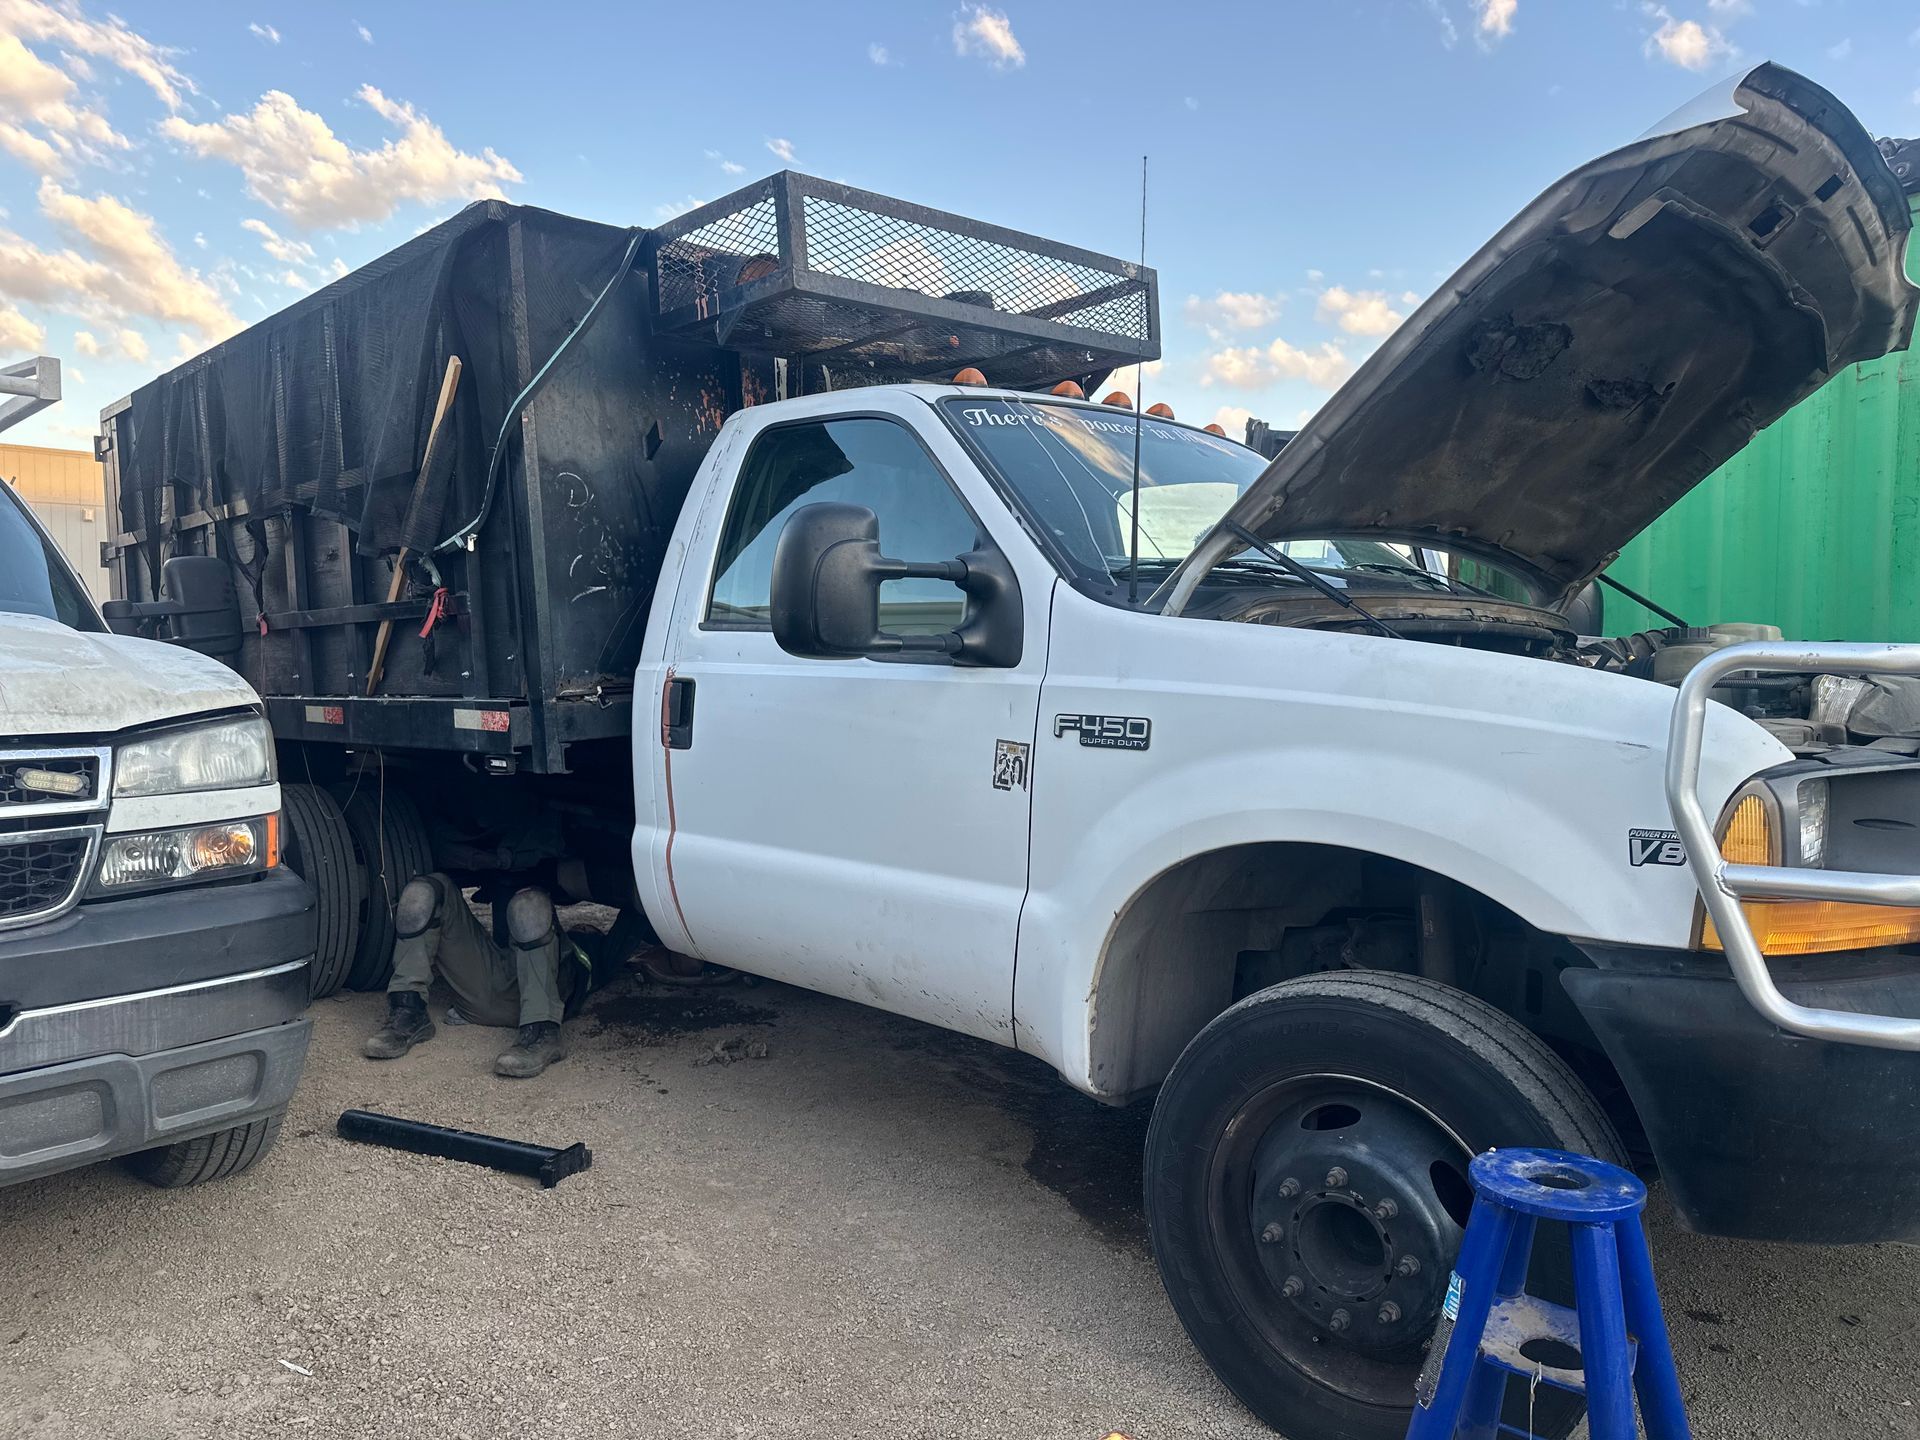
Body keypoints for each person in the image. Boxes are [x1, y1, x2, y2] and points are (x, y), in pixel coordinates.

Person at [363, 874, 585, 1078]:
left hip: (536, 999)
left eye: (586, 929)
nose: (584, 928)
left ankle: (543, 1032)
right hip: (484, 993)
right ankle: (408, 1011)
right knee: (421, 893)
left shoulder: (588, 947)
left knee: (529, 906)